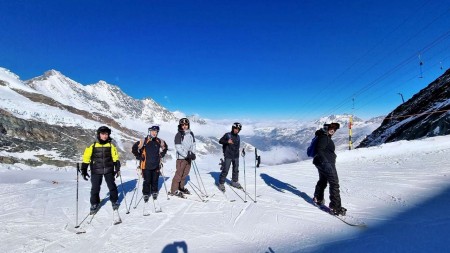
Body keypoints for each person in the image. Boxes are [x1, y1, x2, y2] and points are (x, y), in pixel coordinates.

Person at [80, 126, 121, 214]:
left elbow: (115, 156)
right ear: (99, 134)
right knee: (95, 188)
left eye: (106, 134)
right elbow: (86, 157)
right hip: (96, 170)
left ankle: (114, 200)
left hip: (108, 169)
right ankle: (94, 203)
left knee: (112, 186)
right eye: (103, 134)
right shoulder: (92, 144)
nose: (105, 136)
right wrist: (84, 168)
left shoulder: (111, 144)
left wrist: (117, 166)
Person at [312, 122, 347, 216]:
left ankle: (317, 198)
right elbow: (320, 149)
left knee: (323, 180)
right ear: (327, 128)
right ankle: (336, 207)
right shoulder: (324, 137)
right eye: (332, 128)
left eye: (335, 129)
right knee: (334, 183)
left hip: (322, 162)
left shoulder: (324, 136)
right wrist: (326, 162)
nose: (333, 131)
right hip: (326, 163)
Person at [131, 125, 168, 202]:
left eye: (156, 132)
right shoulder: (144, 141)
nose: (154, 133)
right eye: (153, 131)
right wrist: (138, 156)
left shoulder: (159, 141)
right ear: (150, 132)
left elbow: (165, 147)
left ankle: (154, 191)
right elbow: (134, 148)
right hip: (145, 165)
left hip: (156, 164)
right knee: (147, 180)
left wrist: (162, 154)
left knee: (155, 179)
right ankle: (146, 193)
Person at [170, 118, 196, 197]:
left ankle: (181, 187)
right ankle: (174, 190)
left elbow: (193, 144)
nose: (184, 126)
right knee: (179, 174)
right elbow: (178, 147)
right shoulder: (179, 135)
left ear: (188, 125)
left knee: (185, 174)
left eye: (186, 125)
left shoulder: (191, 133)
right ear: (180, 126)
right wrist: (186, 155)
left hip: (189, 158)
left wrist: (193, 153)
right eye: (183, 125)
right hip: (181, 159)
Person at [218, 122, 242, 191]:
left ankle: (234, 181)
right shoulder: (227, 135)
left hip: (236, 156)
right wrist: (227, 141)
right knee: (225, 169)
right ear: (232, 128)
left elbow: (237, 146)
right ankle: (221, 183)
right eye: (235, 128)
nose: (236, 130)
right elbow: (220, 141)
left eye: (238, 129)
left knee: (236, 169)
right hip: (228, 155)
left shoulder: (238, 137)